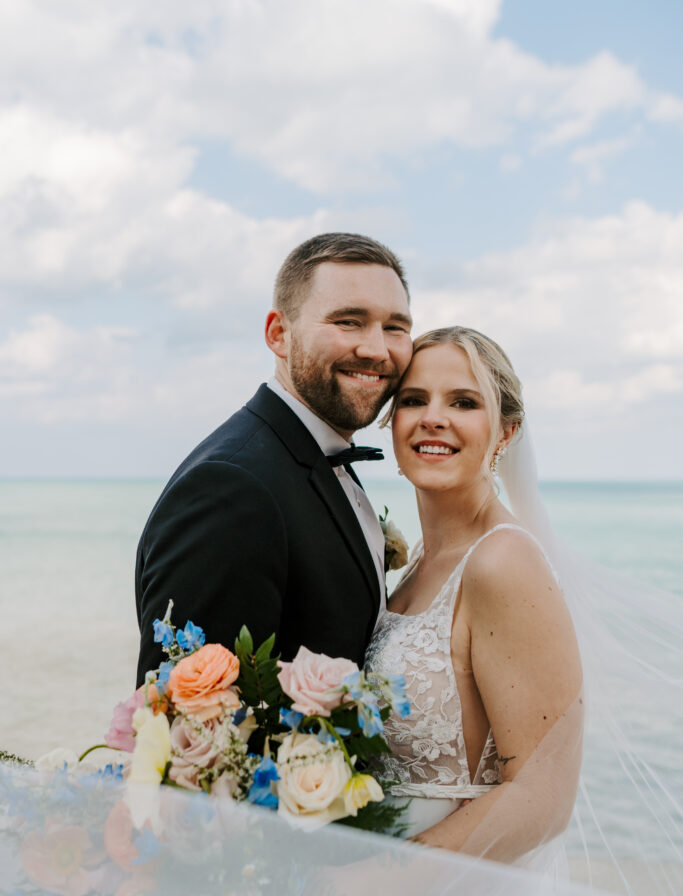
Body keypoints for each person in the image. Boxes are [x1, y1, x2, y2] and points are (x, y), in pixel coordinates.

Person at [135, 232, 413, 686]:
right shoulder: (230, 487)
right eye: (348, 321)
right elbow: (187, 724)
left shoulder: (316, 456)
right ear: (279, 334)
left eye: (395, 327)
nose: (377, 349)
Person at [365, 326, 584, 857]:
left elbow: (544, 798)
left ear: (506, 432)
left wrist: (371, 884)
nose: (433, 417)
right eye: (414, 400)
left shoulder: (502, 560)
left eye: (463, 402)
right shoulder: (418, 558)